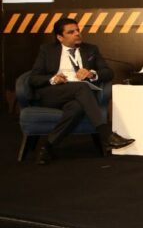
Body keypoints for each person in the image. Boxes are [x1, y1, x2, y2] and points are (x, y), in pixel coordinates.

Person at [29, 18, 135, 165]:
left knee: (76, 107)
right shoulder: (47, 50)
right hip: (54, 93)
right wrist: (53, 79)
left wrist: (91, 74)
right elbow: (33, 78)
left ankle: (47, 147)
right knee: (82, 87)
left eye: (78, 30)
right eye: (71, 32)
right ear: (60, 37)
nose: (77, 34)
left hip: (80, 96)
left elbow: (108, 72)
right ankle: (106, 134)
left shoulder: (91, 49)